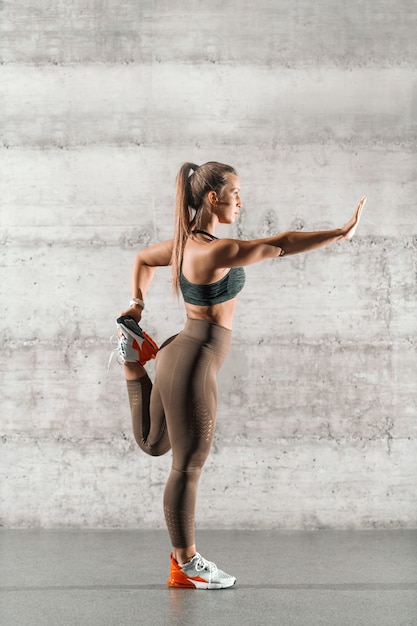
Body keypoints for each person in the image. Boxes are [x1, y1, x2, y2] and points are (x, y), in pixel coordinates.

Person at [116, 161, 366, 590]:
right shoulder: (216, 252)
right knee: (187, 466)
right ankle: (186, 565)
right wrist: (340, 233)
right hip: (193, 361)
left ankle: (132, 361)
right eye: (236, 193)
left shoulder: (185, 245)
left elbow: (142, 258)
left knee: (155, 444)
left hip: (179, 353)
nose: (240, 200)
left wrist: (137, 304)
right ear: (213, 198)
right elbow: (281, 244)